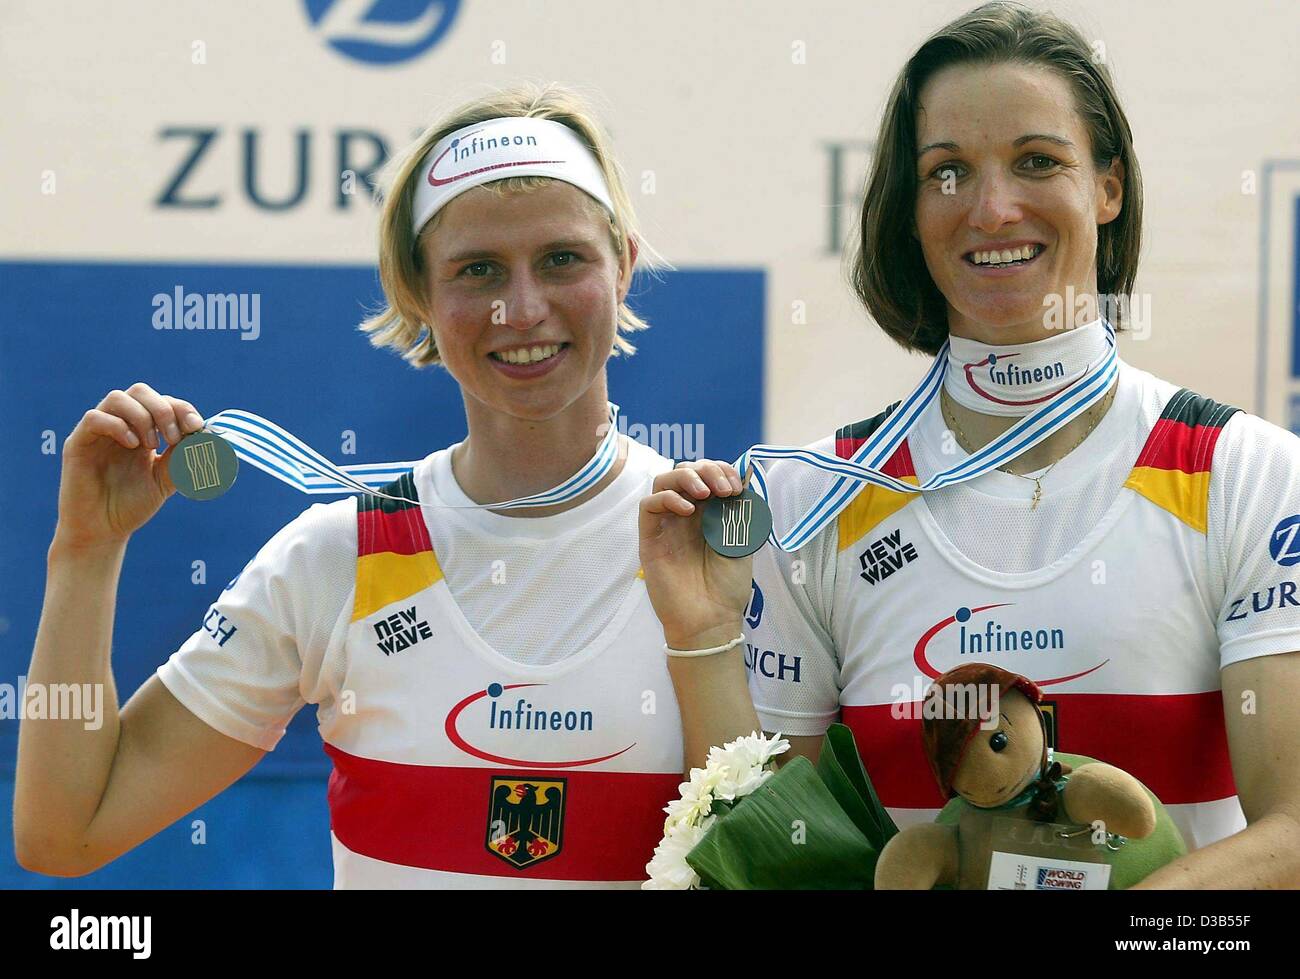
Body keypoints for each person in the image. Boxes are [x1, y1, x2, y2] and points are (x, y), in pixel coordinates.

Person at [640, 1, 1300, 888]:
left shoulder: (1247, 473)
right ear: (908, 209)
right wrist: (704, 639)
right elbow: (778, 859)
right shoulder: (816, 497)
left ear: (1107, 187)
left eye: (1037, 161)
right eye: (947, 173)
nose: (992, 208)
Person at [16, 84, 698, 889]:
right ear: (419, 294)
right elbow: (65, 834)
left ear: (621, 263)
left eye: (562, 259)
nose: (522, 308)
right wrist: (86, 556)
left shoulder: (710, 545)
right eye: (477, 269)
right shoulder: (336, 555)